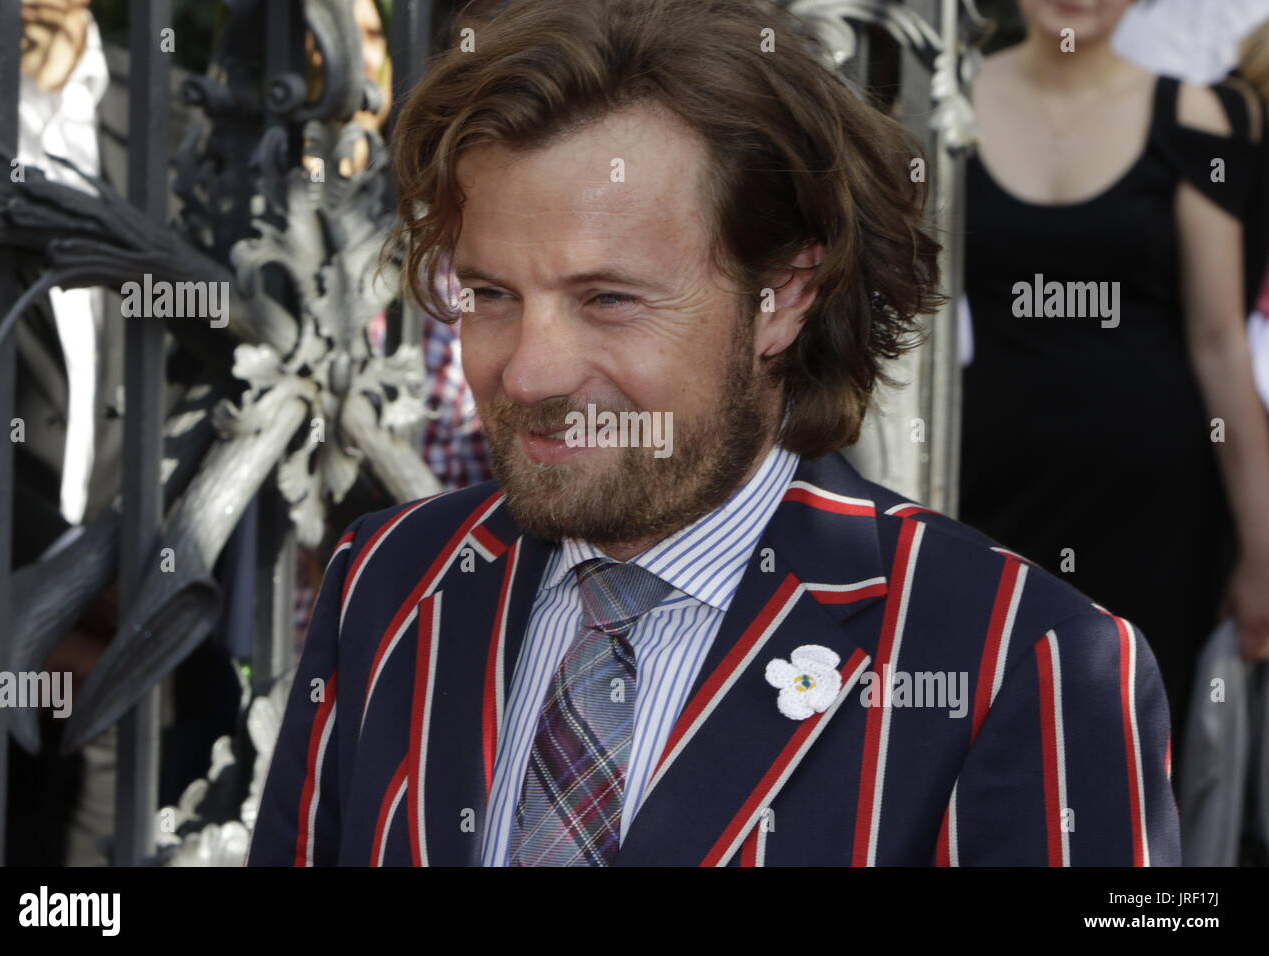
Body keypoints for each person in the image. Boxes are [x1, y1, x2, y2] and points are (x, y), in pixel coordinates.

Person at [249, 0, 1179, 866]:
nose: (527, 373)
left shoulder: (1024, 664)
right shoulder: (391, 581)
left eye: (608, 300)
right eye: (492, 295)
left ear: (785, 300)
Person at [960, 0, 1269, 788]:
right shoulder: (946, 105)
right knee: (989, 748)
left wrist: (1264, 545)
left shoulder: (1193, 114)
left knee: (1128, 762)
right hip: (984, 497)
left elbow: (1220, 341)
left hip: (1157, 514)